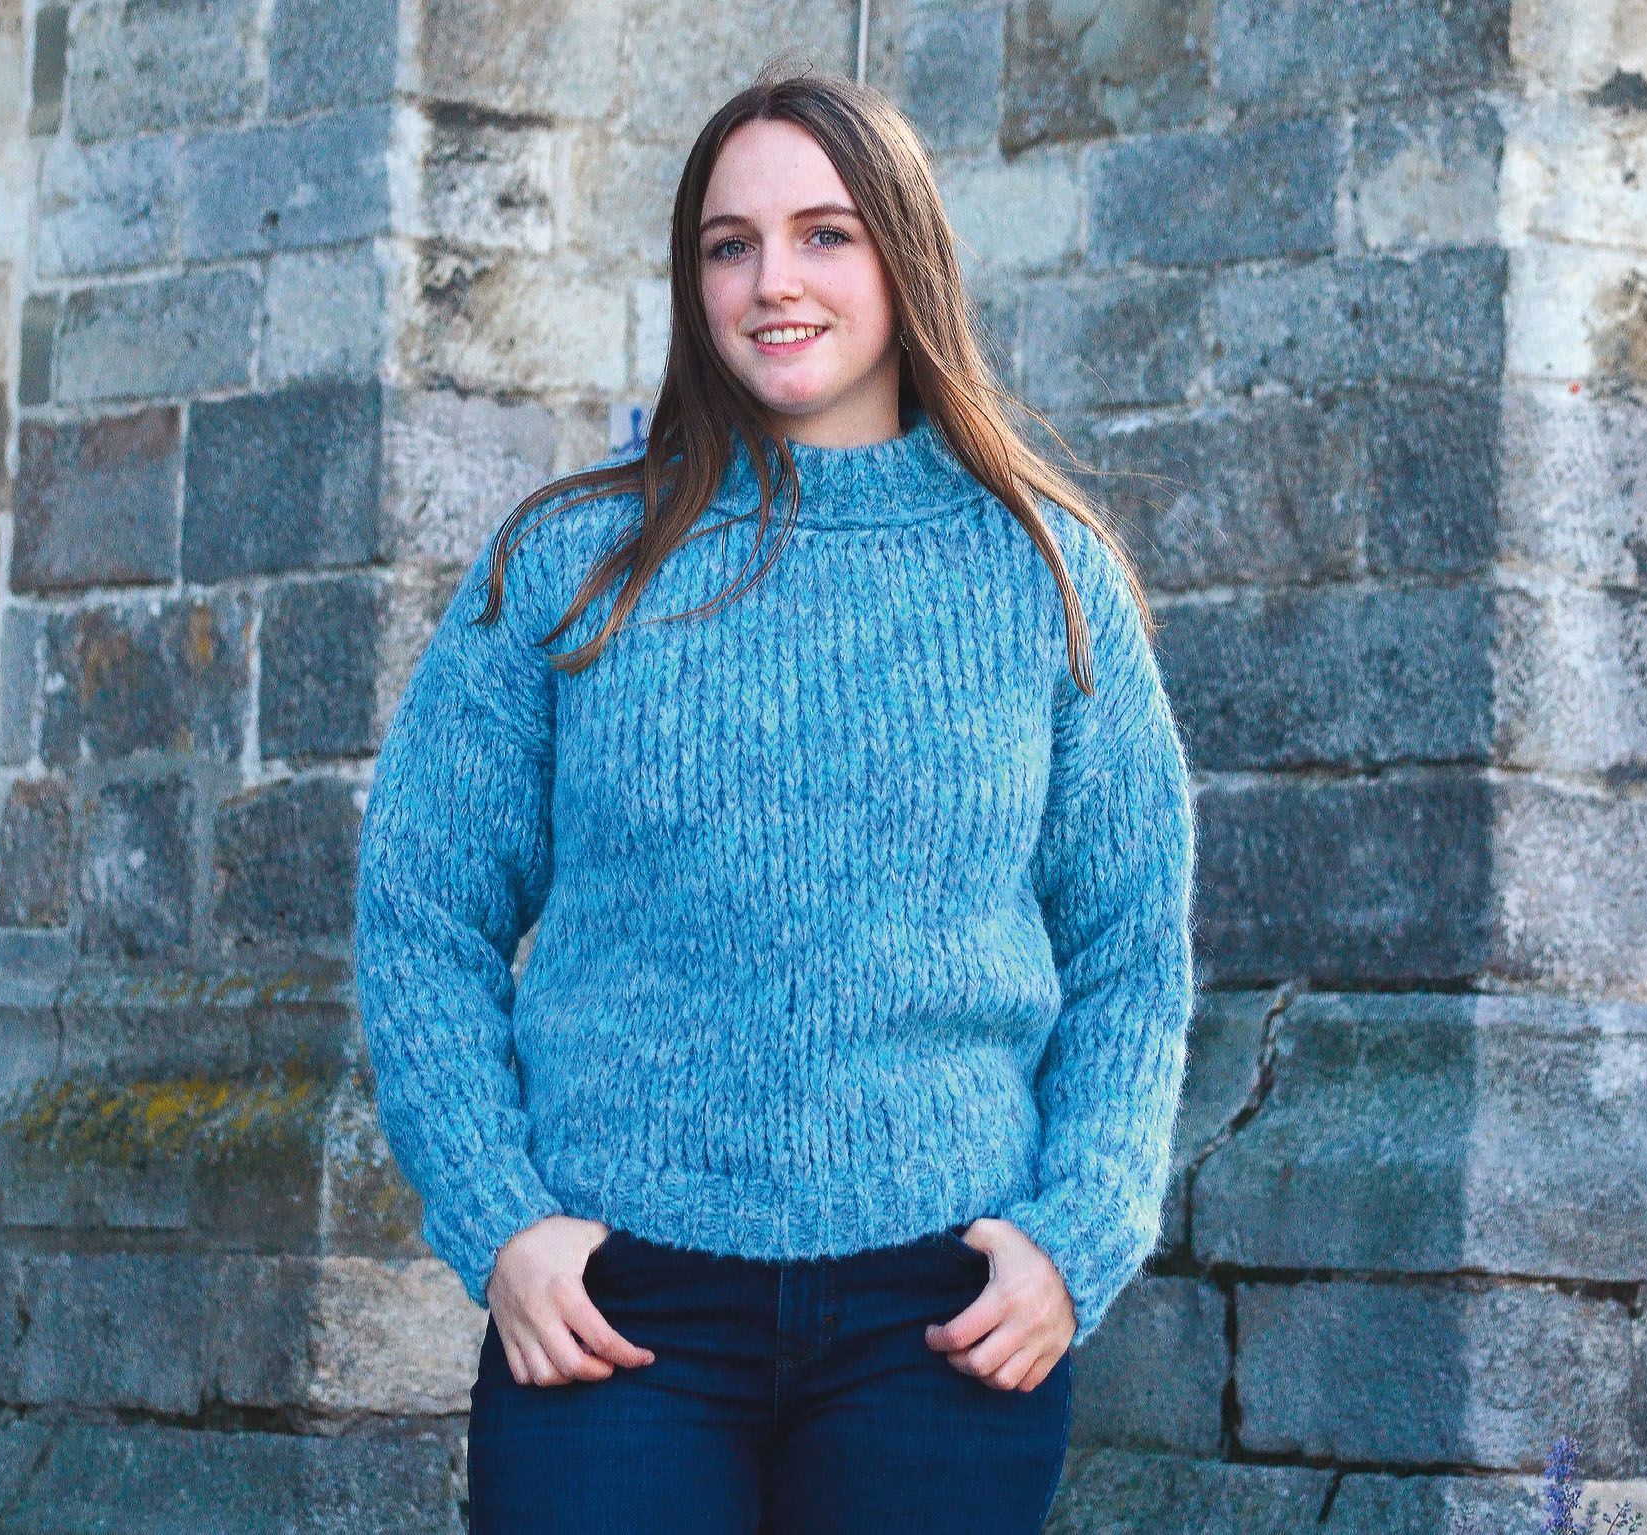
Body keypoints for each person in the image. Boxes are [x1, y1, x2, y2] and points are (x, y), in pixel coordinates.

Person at [352, 62, 1196, 1535]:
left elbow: (1131, 950)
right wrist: (498, 1221)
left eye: (825, 235)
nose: (772, 282)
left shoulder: (1048, 576)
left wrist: (1079, 1237)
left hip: (943, 1323)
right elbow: (423, 910)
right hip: (615, 1313)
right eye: (728, 245)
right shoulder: (570, 563)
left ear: (906, 258)